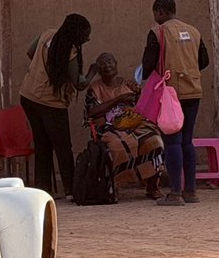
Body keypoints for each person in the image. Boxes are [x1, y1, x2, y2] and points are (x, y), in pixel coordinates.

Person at [20, 13, 96, 201]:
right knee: (63, 146)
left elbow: (30, 52)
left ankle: (42, 190)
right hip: (51, 102)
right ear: (75, 34)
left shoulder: (47, 34)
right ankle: (70, 190)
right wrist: (93, 70)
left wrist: (44, 67)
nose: (87, 39)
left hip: (29, 95)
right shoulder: (70, 52)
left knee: (42, 145)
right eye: (85, 35)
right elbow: (79, 83)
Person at [142, 0, 209, 206]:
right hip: (193, 91)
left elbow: (147, 65)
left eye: (156, 14)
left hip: (171, 94)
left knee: (172, 141)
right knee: (187, 141)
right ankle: (191, 191)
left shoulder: (158, 32)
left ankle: (175, 193)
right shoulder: (194, 31)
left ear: (160, 12)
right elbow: (203, 61)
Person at [84, 52, 165, 199]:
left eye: (110, 61)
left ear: (116, 64)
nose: (107, 64)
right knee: (116, 145)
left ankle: (152, 185)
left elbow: (141, 107)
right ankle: (116, 184)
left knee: (154, 140)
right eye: (102, 63)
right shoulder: (94, 89)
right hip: (109, 127)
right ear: (98, 69)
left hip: (134, 124)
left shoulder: (128, 84)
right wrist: (118, 99)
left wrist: (139, 94)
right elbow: (92, 112)